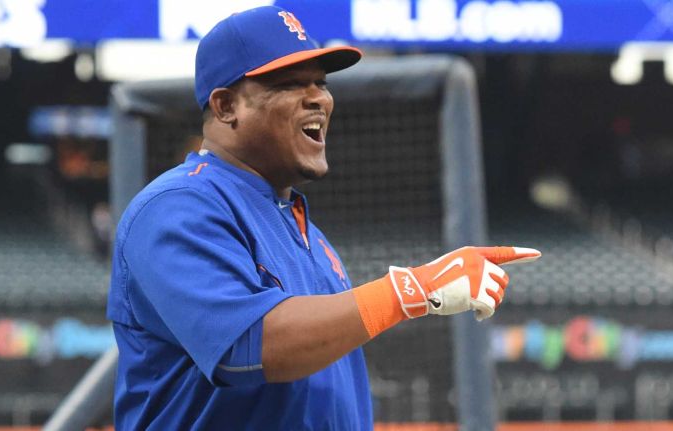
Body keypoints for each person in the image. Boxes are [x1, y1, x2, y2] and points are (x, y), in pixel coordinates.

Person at [106, 6, 541, 430]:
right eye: (290, 83)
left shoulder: (308, 235)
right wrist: (409, 290)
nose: (318, 97)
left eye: (320, 82)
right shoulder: (178, 206)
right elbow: (245, 347)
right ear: (225, 107)